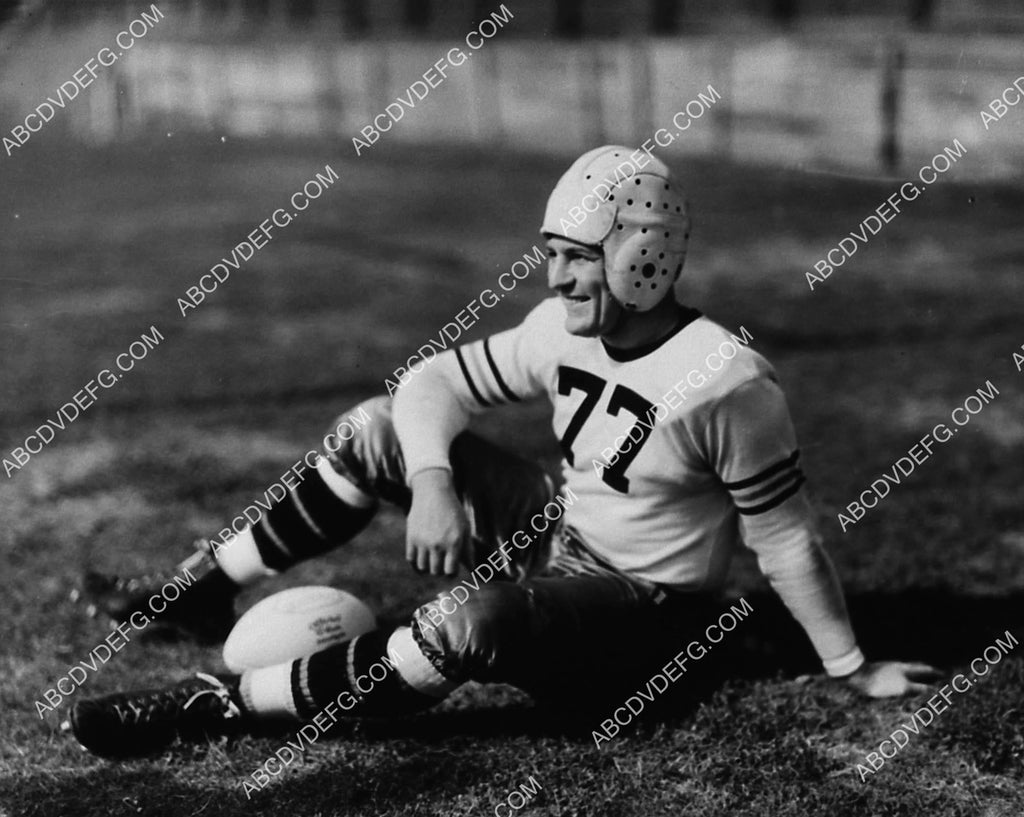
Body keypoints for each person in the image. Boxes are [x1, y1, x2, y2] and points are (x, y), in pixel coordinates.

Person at [69, 146, 936, 758]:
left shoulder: (727, 381)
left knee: (463, 619)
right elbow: (425, 385)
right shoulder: (560, 328)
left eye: (573, 259)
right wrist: (435, 482)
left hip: (644, 605)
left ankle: (222, 702)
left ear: (639, 251)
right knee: (374, 429)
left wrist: (851, 667)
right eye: (551, 258)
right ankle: (204, 591)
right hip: (559, 532)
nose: (555, 280)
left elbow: (784, 540)